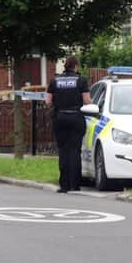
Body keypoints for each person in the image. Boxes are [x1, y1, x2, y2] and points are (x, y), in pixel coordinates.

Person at [45, 56, 91, 193]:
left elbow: (48, 102)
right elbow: (87, 101)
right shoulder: (81, 80)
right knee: (75, 151)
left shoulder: (54, 80)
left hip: (60, 118)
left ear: (65, 66)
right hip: (76, 118)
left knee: (63, 151)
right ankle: (74, 184)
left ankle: (64, 185)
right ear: (76, 66)